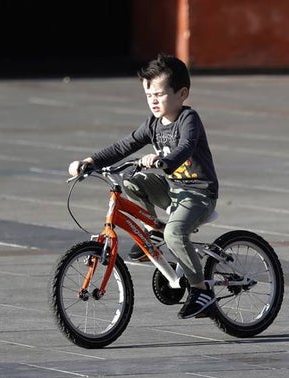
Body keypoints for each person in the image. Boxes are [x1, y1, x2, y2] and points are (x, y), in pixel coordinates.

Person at [69, 53, 219, 320]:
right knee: (130, 179)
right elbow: (123, 146)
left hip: (198, 192)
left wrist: (163, 159)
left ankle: (200, 290)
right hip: (173, 189)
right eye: (149, 95)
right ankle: (153, 231)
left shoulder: (189, 120)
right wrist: (89, 161)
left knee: (176, 234)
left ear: (182, 93)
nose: (153, 101)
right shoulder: (152, 124)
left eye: (159, 94)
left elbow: (184, 148)